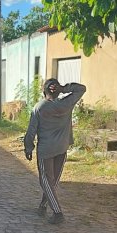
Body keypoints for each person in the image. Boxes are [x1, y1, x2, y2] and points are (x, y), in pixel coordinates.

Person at [23, 78, 86, 224]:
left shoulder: (39, 107)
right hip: (62, 148)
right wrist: (63, 88)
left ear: (43, 91)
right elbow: (81, 88)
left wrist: (28, 147)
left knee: (46, 180)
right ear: (57, 92)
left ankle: (58, 213)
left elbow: (31, 131)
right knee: (53, 181)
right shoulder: (66, 104)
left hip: (46, 149)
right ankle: (43, 206)